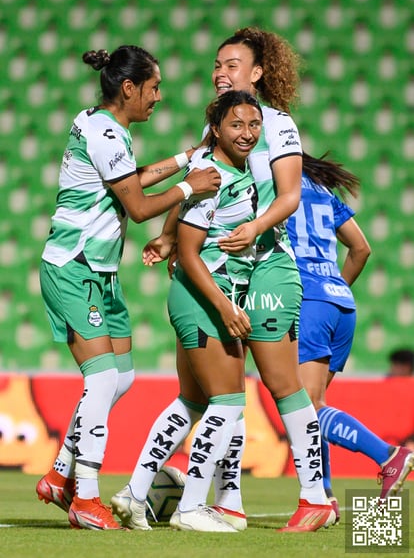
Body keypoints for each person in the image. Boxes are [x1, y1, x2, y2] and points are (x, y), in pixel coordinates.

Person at [119, 27, 335, 533]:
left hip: (266, 263)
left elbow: (288, 197)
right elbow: (198, 180)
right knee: (222, 390)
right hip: (224, 269)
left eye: (232, 64)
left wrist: (253, 230)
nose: (220, 71)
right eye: (217, 64)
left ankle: (313, 497)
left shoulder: (276, 125)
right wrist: (171, 236)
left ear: (257, 72)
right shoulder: (218, 128)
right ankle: (226, 498)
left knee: (280, 386)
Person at [35, 45, 221, 531]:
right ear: (129, 88)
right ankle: (85, 498)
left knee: (121, 377)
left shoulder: (102, 125)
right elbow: (138, 207)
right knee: (100, 379)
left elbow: (129, 181)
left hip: (100, 272)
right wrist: (189, 186)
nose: (158, 97)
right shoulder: (104, 133)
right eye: (154, 87)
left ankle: (59, 473)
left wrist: (184, 159)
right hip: (74, 267)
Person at [112, 90, 263, 533]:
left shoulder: (226, 171)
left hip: (198, 297)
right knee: (229, 400)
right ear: (215, 129)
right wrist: (225, 306)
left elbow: (184, 227)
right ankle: (191, 506)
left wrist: (166, 236)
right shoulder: (214, 173)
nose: (247, 133)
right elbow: (193, 253)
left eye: (253, 125)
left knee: (192, 401)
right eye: (236, 125)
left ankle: (135, 494)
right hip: (203, 298)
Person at [287, 152, 414, 520]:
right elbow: (361, 249)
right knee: (313, 405)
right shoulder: (323, 191)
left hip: (308, 298)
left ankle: (389, 455)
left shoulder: (277, 187)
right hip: (340, 303)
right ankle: (324, 496)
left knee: (307, 409)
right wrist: (333, 290)